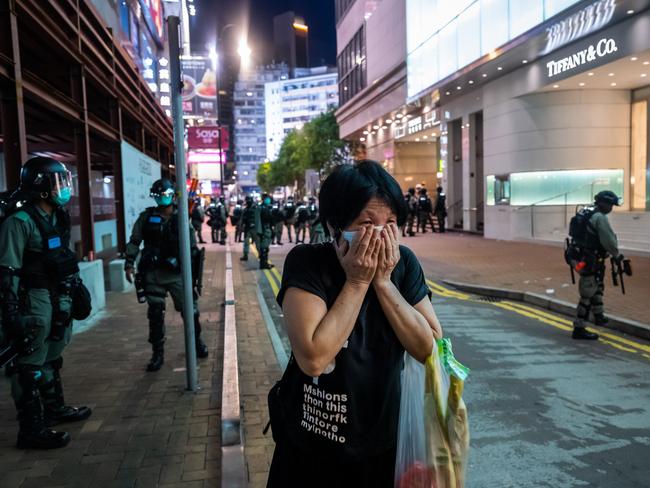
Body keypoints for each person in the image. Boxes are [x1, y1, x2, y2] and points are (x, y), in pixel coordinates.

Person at [266, 160, 443, 487]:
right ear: (336, 225)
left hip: (383, 442)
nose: (381, 234)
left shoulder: (403, 266)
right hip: (313, 443)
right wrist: (358, 281)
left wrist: (385, 283)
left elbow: (429, 347)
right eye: (366, 222)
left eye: (391, 222)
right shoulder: (308, 263)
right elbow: (314, 358)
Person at [0, 157, 91, 449]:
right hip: (33, 298)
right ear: (40, 187)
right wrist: (11, 311)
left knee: (53, 354)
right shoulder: (20, 222)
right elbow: (8, 270)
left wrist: (75, 287)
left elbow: (61, 255)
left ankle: (54, 408)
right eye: (58, 183)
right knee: (29, 363)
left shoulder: (58, 216)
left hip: (58, 295)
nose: (64, 188)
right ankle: (31, 429)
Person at [124, 178, 208, 372]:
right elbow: (135, 241)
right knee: (155, 314)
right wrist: (129, 263)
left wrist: (193, 275)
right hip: (153, 274)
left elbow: (192, 248)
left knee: (190, 311)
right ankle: (157, 354)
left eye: (166, 195)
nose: (163, 199)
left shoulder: (181, 218)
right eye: (159, 195)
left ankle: (197, 343)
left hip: (177, 274)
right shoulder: (146, 218)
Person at [571, 191, 624, 340]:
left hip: (582, 257)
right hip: (590, 259)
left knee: (597, 286)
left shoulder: (586, 211)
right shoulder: (599, 218)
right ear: (604, 203)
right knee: (587, 292)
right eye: (611, 205)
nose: (612, 208)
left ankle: (599, 316)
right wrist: (616, 254)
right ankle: (579, 327)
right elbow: (608, 240)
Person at [258, 194, 275, 269]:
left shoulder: (264, 207)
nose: (269, 200)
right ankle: (263, 264)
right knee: (264, 247)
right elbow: (267, 218)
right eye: (267, 198)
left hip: (265, 228)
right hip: (265, 229)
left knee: (265, 247)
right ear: (264, 199)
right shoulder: (263, 208)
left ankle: (264, 263)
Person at [240, 196, 258, 262]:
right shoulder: (245, 209)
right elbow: (242, 219)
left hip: (254, 228)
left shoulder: (255, 208)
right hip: (248, 228)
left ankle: (262, 256)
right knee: (246, 243)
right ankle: (245, 255)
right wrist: (241, 226)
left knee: (257, 243)